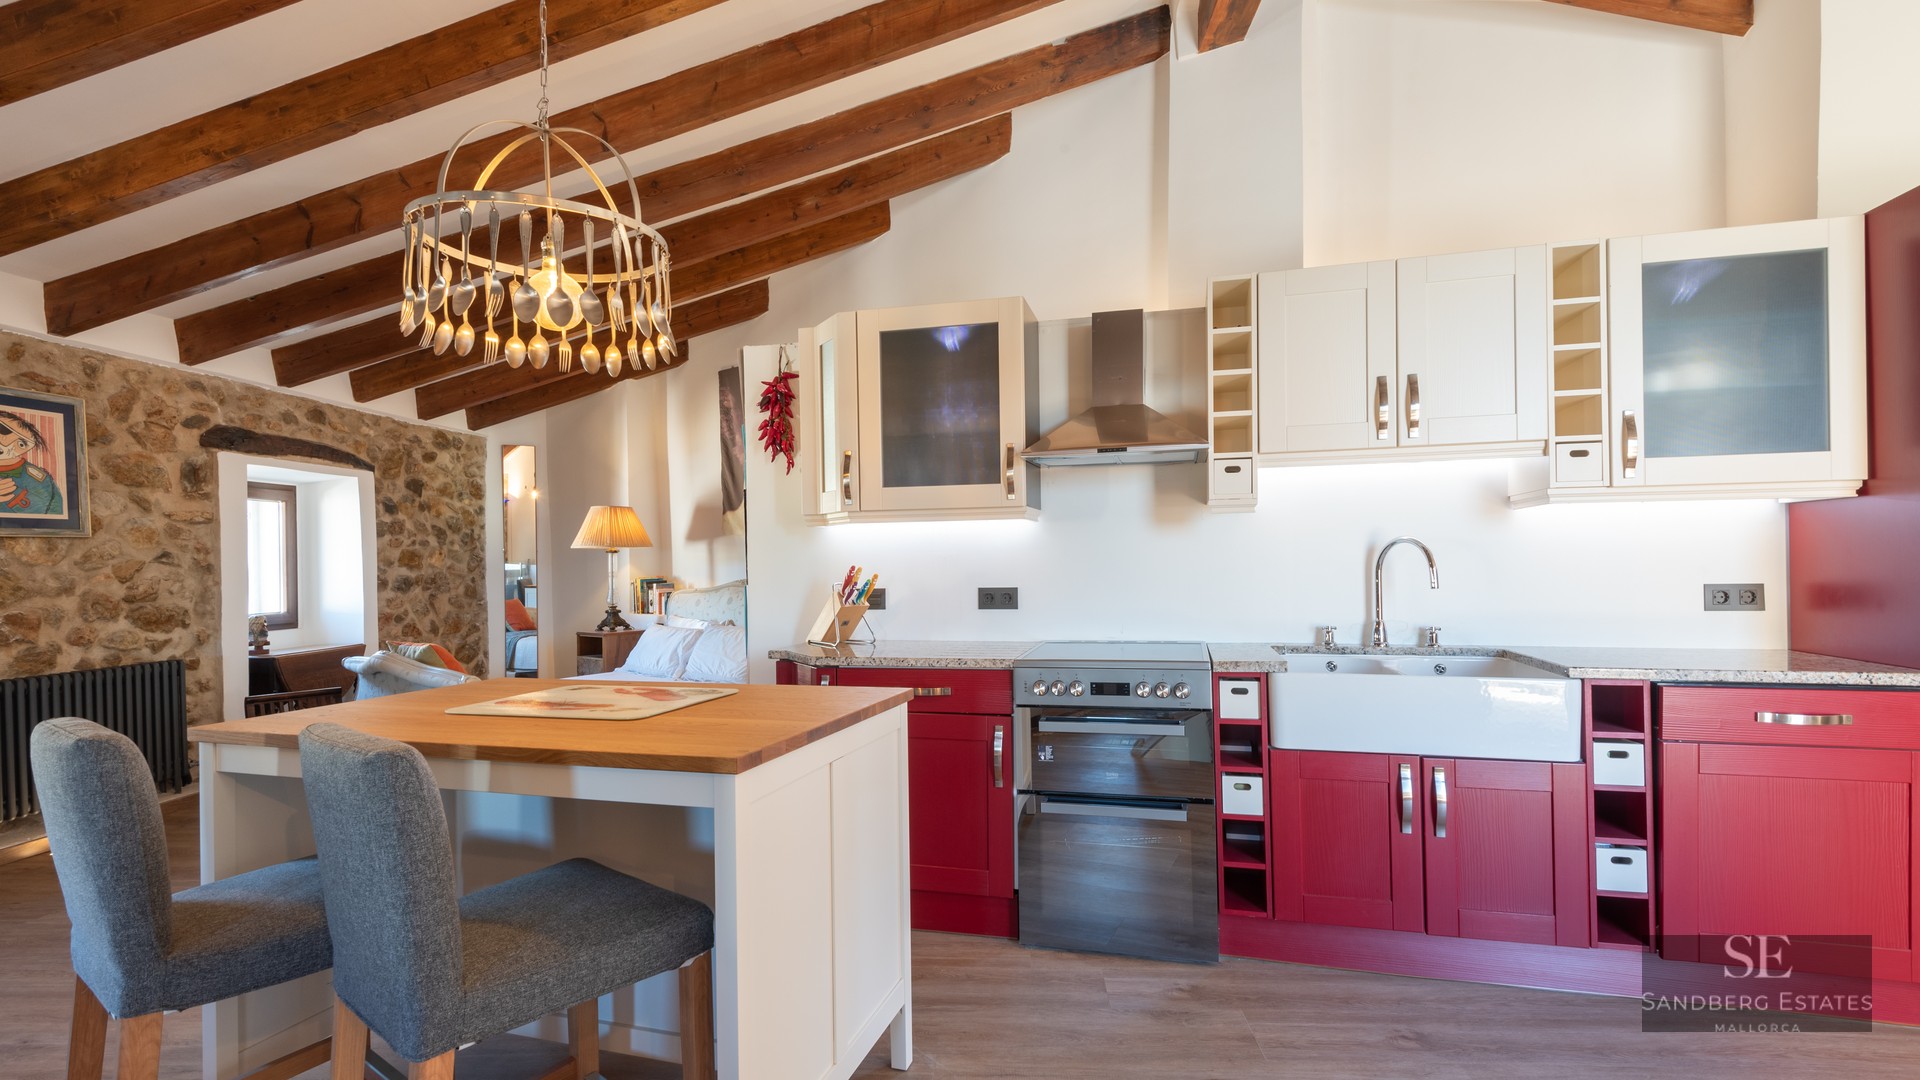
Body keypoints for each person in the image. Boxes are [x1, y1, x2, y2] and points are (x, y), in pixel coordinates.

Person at [0, 409, 63, 515]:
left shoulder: (38, 479)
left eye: (21, 444)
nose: (5, 442)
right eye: (3, 429)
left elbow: (54, 515)